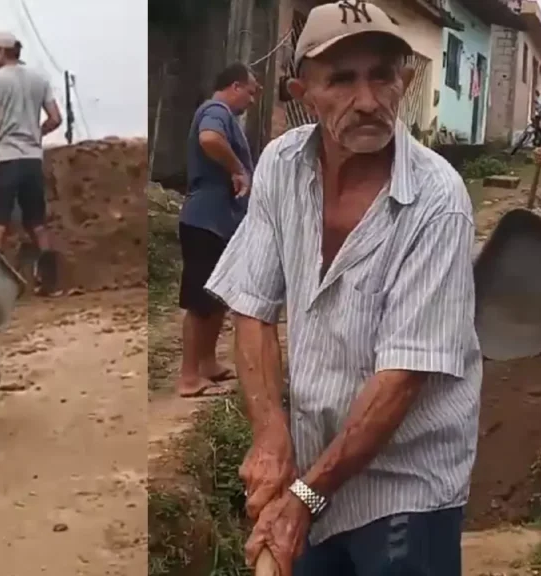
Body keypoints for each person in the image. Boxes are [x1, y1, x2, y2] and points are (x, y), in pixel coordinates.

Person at [205, 3, 481, 575]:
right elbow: (252, 309)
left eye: (382, 75)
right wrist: (270, 437)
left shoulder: (438, 201)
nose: (368, 100)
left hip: (405, 486)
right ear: (303, 90)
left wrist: (304, 495)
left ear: (403, 80)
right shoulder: (281, 165)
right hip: (312, 469)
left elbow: (401, 380)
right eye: (343, 80)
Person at [175, 62, 259, 398]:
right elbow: (209, 139)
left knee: (216, 296)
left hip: (221, 222)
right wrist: (238, 170)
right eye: (251, 92)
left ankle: (207, 363)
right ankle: (188, 377)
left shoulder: (227, 115)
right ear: (235, 86)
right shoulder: (215, 110)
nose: (252, 100)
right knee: (200, 301)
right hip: (204, 221)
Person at [0, 31, 64, 296]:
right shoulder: (39, 79)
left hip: (7, 158)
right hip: (33, 159)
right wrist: (36, 133)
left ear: (0, 52)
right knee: (36, 221)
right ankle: (50, 283)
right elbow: (56, 118)